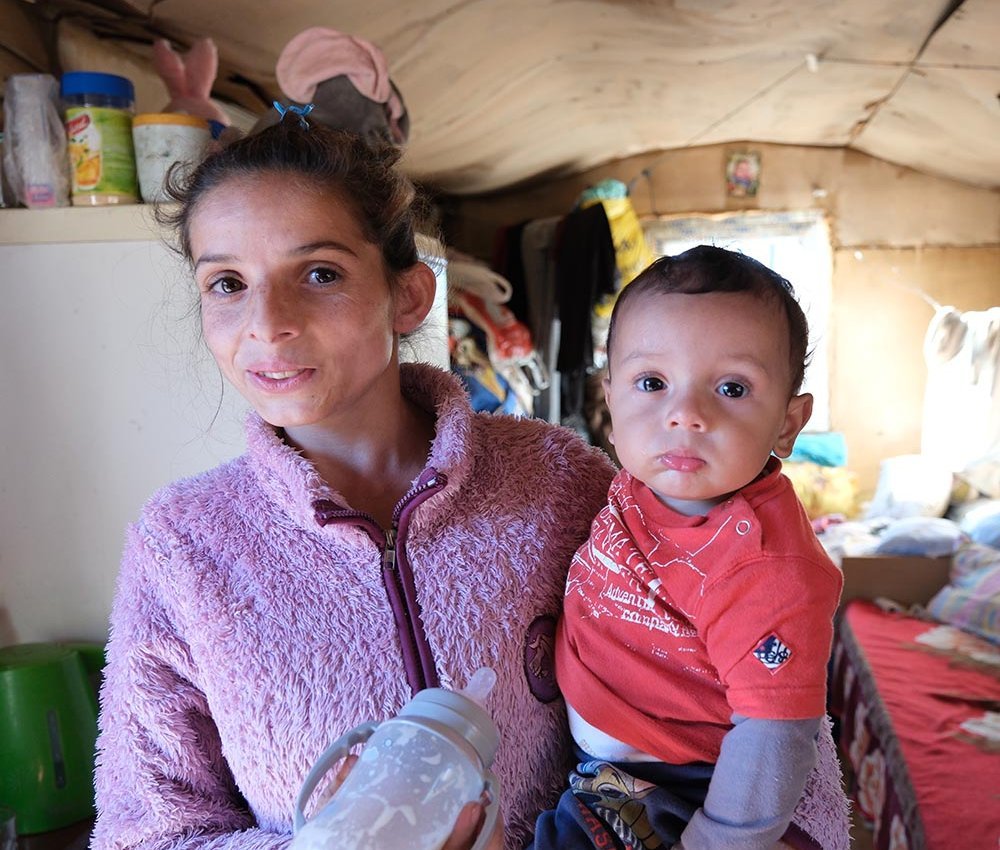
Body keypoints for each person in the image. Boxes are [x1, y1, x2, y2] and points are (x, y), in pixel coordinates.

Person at [89, 117, 616, 850]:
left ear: (407, 296)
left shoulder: (565, 484)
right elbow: (144, 835)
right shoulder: (179, 544)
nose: (267, 324)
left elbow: (700, 713)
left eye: (320, 273)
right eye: (228, 283)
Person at [531, 246, 850, 850]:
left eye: (731, 387)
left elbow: (774, 733)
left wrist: (717, 840)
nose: (684, 415)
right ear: (610, 399)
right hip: (598, 758)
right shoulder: (636, 481)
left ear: (787, 422)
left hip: (676, 785)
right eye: (652, 383)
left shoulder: (764, 566)